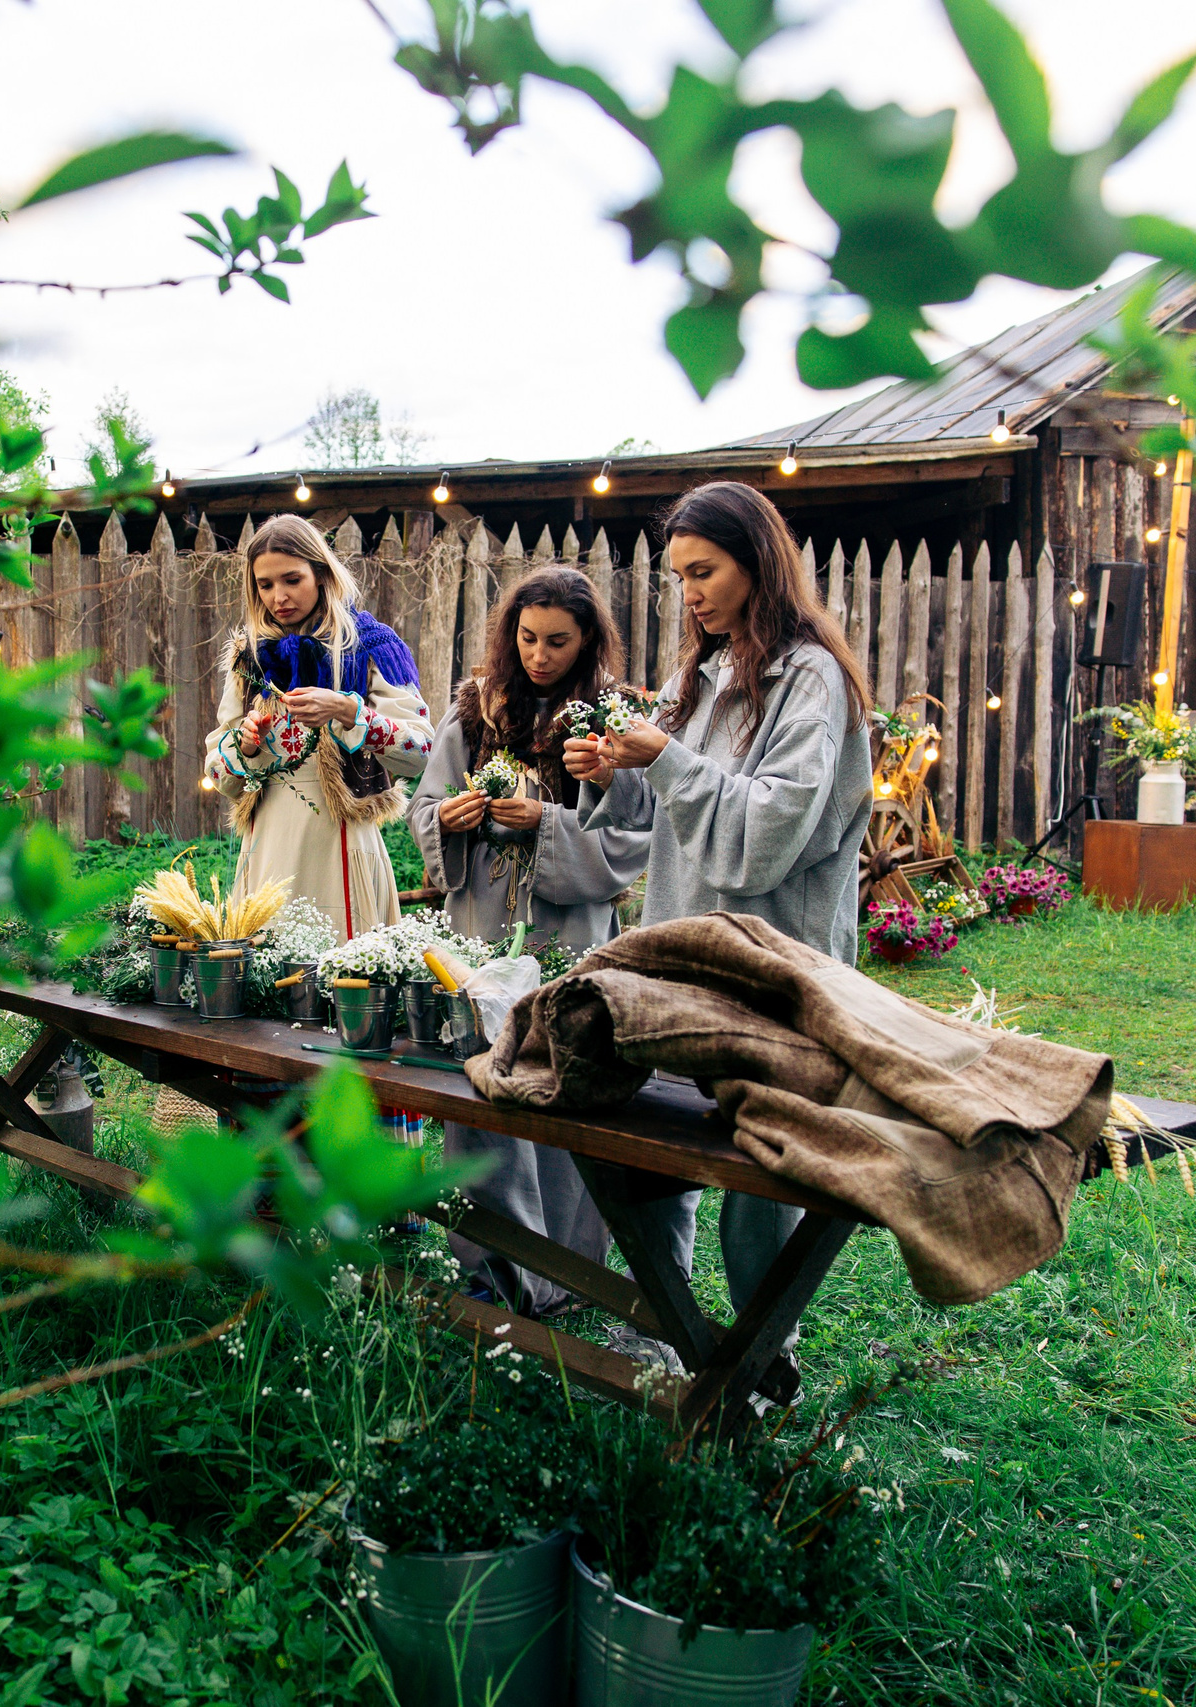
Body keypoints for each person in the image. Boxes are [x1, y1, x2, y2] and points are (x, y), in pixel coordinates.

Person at [563, 482, 874, 1397]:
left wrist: (660, 757)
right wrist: (609, 773)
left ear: (758, 562)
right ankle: (672, 1326)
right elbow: (663, 809)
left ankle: (761, 1358)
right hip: (683, 953)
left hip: (773, 963)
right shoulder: (696, 674)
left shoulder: (810, 677)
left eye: (704, 571)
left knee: (759, 1175)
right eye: (680, 576)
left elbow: (766, 834)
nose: (688, 592)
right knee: (645, 1149)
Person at [411, 566, 648, 1315]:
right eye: (527, 638)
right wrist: (449, 817)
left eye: (557, 641)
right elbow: (425, 800)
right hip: (482, 926)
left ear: (585, 642)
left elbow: (631, 838)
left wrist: (545, 822)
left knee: (560, 1078)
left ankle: (567, 1269)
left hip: (568, 933)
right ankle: (485, 1259)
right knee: (482, 1081)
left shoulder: (607, 722)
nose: (539, 655)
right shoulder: (477, 708)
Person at [204, 514, 432, 937]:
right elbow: (217, 768)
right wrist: (246, 745)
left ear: (322, 573)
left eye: (292, 579)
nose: (279, 596)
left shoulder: (371, 645)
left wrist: (349, 712)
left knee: (348, 982)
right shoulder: (249, 657)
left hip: (341, 841)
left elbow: (420, 751)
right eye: (265, 584)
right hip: (268, 840)